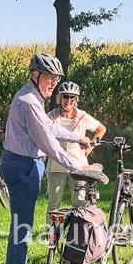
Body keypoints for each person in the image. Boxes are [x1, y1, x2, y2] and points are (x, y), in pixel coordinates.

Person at [1, 52, 100, 264]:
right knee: (22, 224)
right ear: (35, 75)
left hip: (24, 162)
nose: (54, 83)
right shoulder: (29, 102)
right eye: (50, 78)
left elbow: (50, 127)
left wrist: (78, 138)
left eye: (56, 79)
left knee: (23, 221)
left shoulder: (34, 97)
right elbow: (47, 142)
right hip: (23, 165)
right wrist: (77, 167)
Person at [45, 81, 106, 223]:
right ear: (60, 98)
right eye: (66, 96)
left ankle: (77, 232)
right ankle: (51, 233)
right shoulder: (51, 116)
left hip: (78, 164)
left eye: (72, 97)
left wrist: (90, 147)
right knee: (54, 202)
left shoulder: (82, 116)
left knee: (79, 200)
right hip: (56, 164)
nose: (69, 100)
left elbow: (101, 129)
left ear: (76, 99)